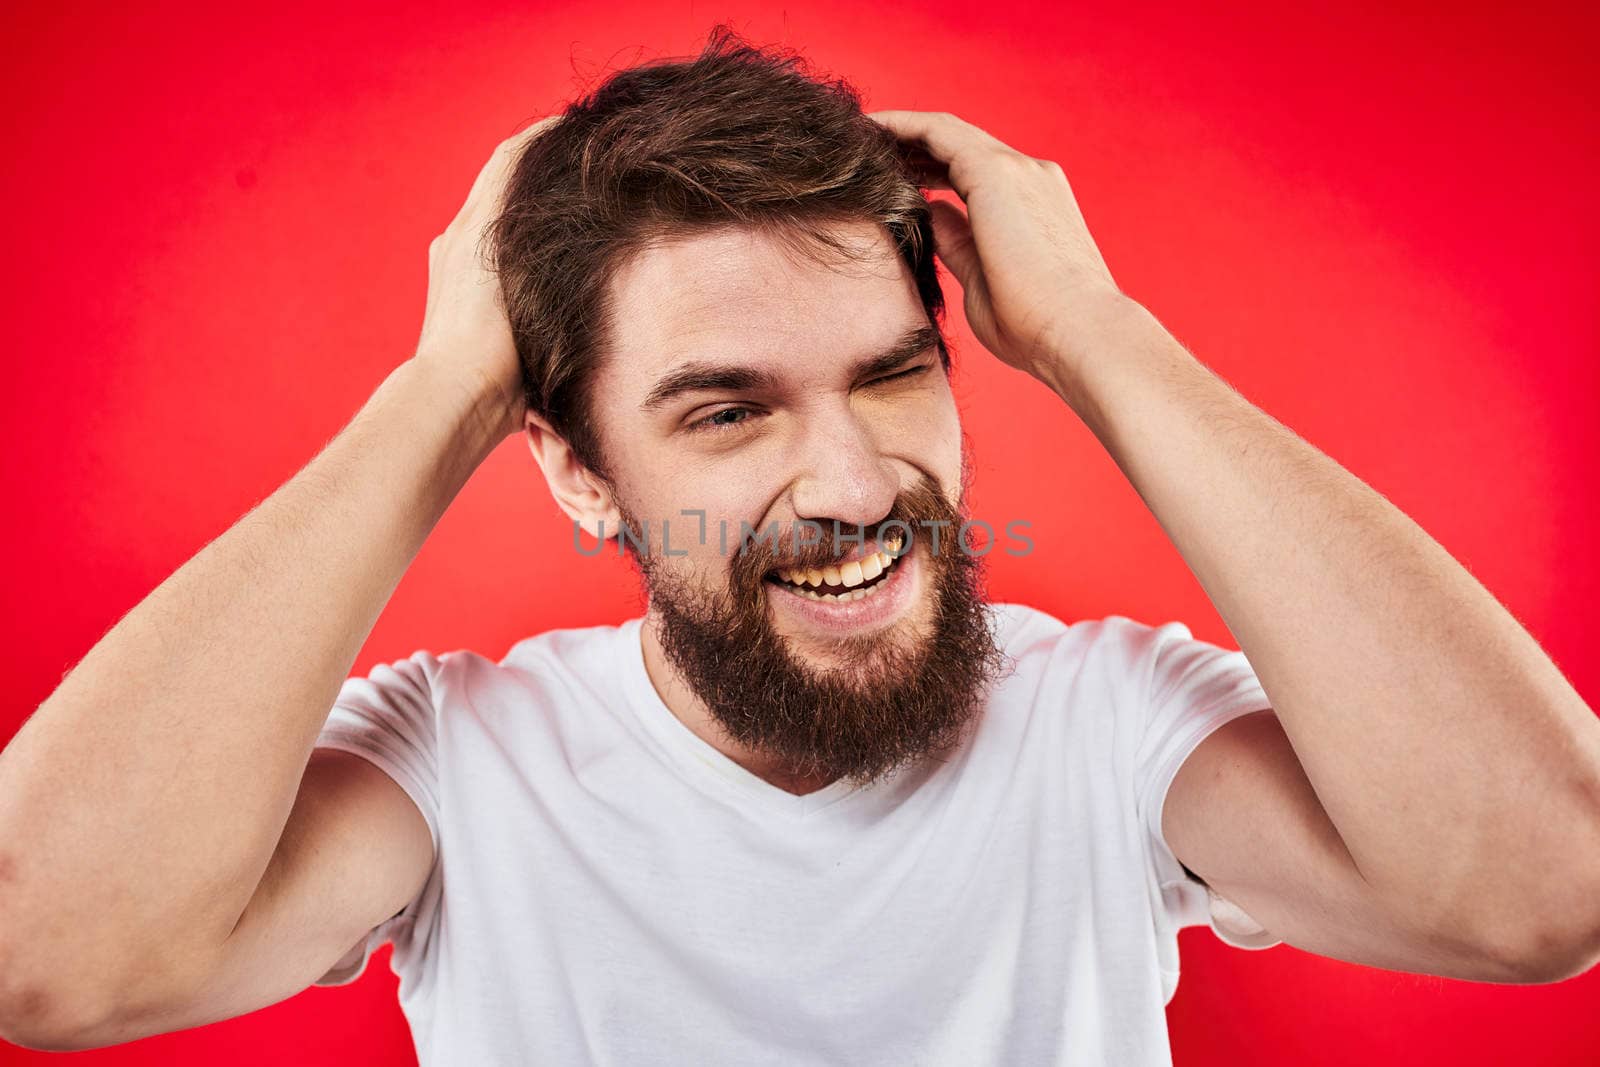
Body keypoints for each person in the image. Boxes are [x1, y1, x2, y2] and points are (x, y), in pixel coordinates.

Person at [2, 24, 1598, 1065]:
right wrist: (439, 397)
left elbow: (1547, 891)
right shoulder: (460, 773)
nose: (852, 482)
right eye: (726, 414)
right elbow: (43, 955)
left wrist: (1101, 334)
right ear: (576, 471)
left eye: (895, 374)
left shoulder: (1104, 731)